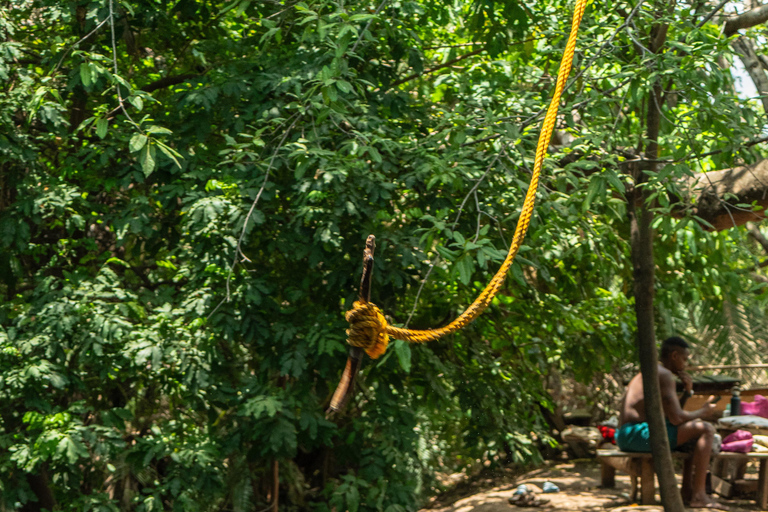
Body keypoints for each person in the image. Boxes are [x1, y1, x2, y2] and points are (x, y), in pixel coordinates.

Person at [617, 336, 722, 509]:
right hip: (637, 436)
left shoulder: (652, 371)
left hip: (628, 435)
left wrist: (687, 393)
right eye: (684, 359)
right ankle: (700, 495)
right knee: (706, 429)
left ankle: (687, 492)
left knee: (693, 436)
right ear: (674, 355)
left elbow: (671, 416)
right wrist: (704, 412)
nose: (685, 364)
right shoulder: (664, 375)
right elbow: (677, 418)